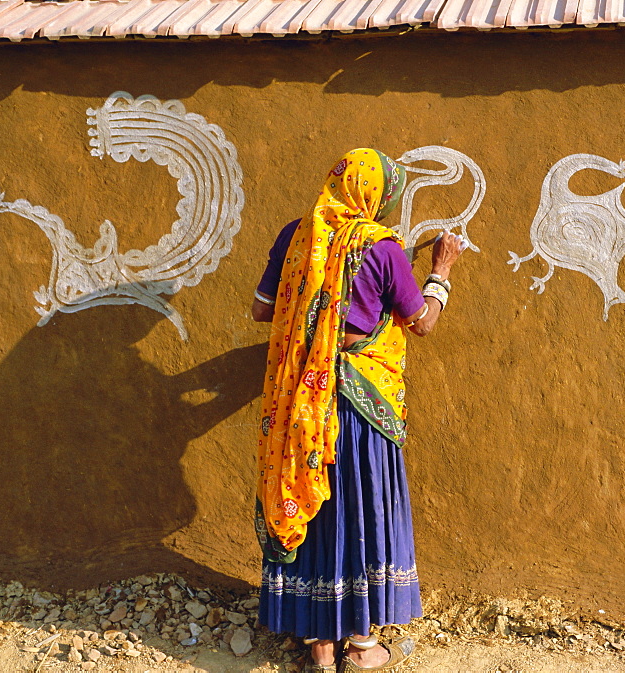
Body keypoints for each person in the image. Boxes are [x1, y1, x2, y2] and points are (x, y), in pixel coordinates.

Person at [251, 148, 465, 672]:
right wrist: (441, 270)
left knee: (315, 508)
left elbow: (261, 309)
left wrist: (312, 315)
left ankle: (319, 646)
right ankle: (363, 645)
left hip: (302, 401)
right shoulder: (383, 249)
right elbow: (422, 322)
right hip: (359, 406)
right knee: (360, 509)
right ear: (377, 196)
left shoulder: (296, 236)